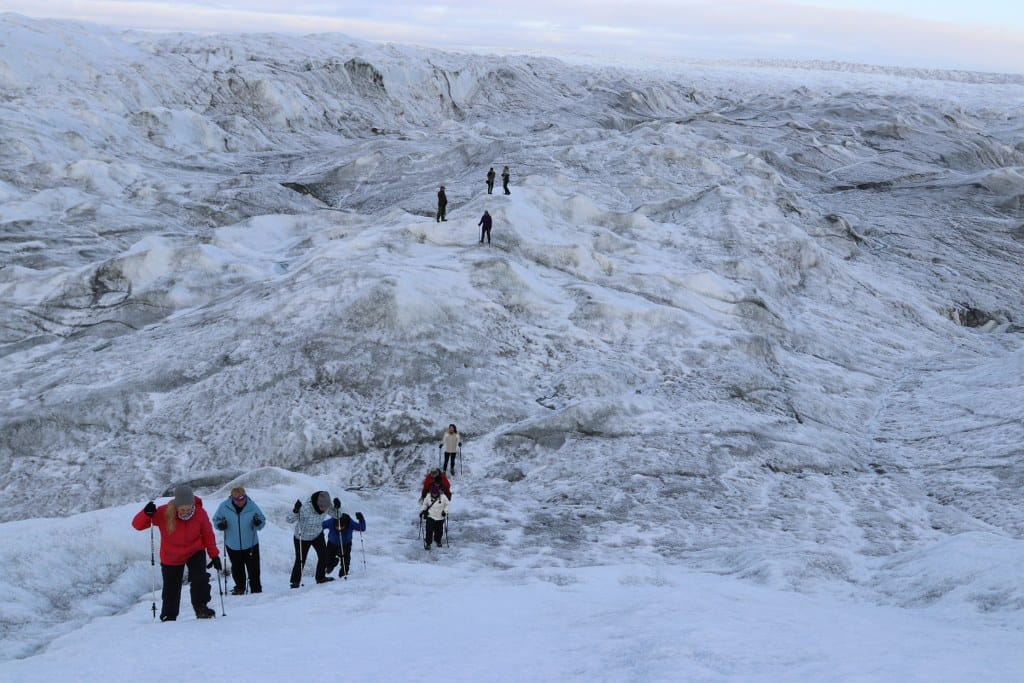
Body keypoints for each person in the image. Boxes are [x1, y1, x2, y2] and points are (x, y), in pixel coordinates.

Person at [132, 485, 221, 621]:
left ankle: (201, 608)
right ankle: (169, 615)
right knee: (171, 587)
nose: (186, 512)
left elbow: (208, 535)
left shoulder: (200, 513)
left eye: (189, 509)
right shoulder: (163, 512)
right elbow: (137, 525)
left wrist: (214, 555)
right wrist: (145, 513)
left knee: (200, 578)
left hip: (195, 550)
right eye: (182, 509)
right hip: (171, 554)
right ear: (176, 506)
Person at [211, 486, 265, 595]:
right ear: (232, 498)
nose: (240, 501)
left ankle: (256, 590)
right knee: (237, 568)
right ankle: (240, 588)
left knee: (254, 569)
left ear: (245, 496)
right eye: (236, 499)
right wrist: (220, 525)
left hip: (251, 544)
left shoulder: (252, 506)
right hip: (233, 545)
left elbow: (262, 520)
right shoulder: (224, 506)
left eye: (242, 498)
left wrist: (258, 523)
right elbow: (216, 520)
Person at [286, 491, 338, 587]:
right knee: (300, 560)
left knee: (323, 556)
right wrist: (295, 510)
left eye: (326, 507)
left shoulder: (327, 506)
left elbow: (337, 515)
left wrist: (337, 507)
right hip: (302, 537)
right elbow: (289, 520)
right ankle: (295, 582)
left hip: (317, 534)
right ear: (317, 503)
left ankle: (320, 578)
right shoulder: (306, 508)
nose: (324, 509)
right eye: (322, 507)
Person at [322, 511, 367, 578]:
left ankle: (343, 575)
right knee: (327, 561)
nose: (339, 529)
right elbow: (320, 526)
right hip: (332, 544)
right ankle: (331, 564)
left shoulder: (350, 522)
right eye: (337, 527)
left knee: (345, 561)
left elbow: (362, 528)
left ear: (345, 525)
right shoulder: (331, 521)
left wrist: (361, 519)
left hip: (346, 545)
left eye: (341, 527)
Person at [419, 484, 450, 550]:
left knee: (439, 531)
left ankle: (438, 541)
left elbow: (447, 505)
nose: (434, 495)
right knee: (429, 530)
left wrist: (445, 511)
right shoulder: (428, 496)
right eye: (433, 493)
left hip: (440, 517)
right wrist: (423, 511)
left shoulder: (443, 497)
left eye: (435, 493)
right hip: (430, 516)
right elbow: (425, 504)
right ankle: (428, 543)